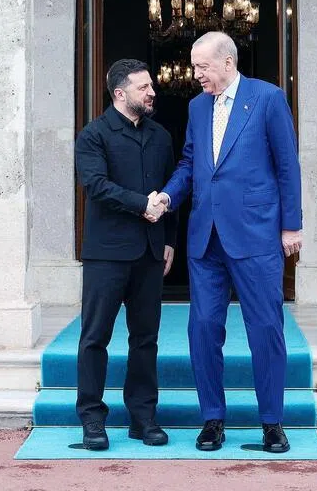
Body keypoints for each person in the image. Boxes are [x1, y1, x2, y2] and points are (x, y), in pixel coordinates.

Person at [153, 31, 302, 454]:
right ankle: (212, 420)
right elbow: (190, 163)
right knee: (202, 329)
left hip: (256, 234)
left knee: (266, 329)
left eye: (202, 66)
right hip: (206, 238)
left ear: (228, 63)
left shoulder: (268, 98)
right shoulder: (197, 107)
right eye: (195, 66)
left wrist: (291, 226)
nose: (195, 74)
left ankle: (272, 422)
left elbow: (288, 165)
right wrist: (168, 196)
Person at [73, 58, 177, 451]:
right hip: (107, 254)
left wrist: (169, 238)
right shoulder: (93, 135)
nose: (152, 92)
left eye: (151, 85)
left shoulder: (161, 136)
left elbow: (173, 193)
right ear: (120, 94)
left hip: (151, 252)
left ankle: (143, 418)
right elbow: (96, 185)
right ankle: (92, 421)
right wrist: (142, 205)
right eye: (143, 87)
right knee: (95, 337)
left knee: (145, 339)